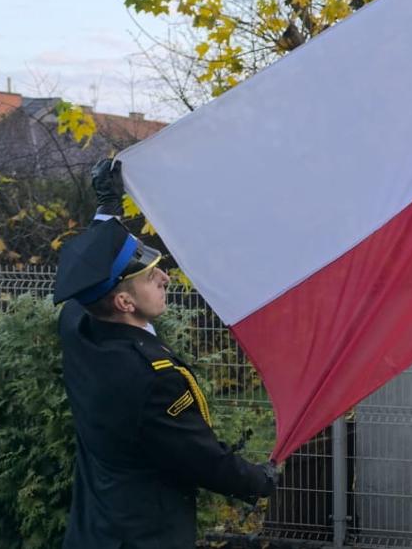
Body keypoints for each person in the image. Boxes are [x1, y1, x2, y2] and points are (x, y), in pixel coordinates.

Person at [55, 158, 275, 549]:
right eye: (150, 275)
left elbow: (92, 266)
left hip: (94, 531)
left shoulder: (80, 323)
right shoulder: (152, 380)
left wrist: (108, 206)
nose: (165, 276)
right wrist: (262, 480)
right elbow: (204, 459)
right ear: (124, 301)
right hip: (143, 537)